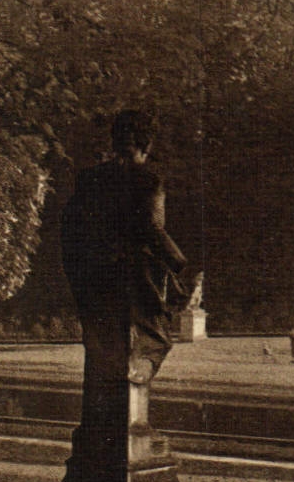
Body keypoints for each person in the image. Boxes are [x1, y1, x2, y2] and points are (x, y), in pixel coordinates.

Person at [59, 110, 195, 389]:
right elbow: (153, 230)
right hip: (133, 280)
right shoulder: (148, 181)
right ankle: (132, 425)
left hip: (93, 277)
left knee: (100, 351)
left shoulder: (89, 179)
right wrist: (180, 263)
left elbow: (70, 228)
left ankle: (98, 428)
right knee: (151, 342)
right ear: (148, 145)